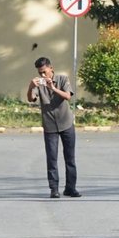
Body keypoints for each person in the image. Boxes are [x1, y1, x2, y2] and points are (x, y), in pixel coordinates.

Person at [28, 56, 80, 199]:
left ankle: (70, 188)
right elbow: (31, 99)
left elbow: (68, 96)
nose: (43, 75)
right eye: (40, 73)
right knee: (52, 158)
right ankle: (54, 189)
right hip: (50, 125)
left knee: (70, 158)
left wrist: (53, 88)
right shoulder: (39, 83)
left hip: (66, 123)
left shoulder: (62, 79)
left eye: (44, 72)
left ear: (51, 68)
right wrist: (31, 87)